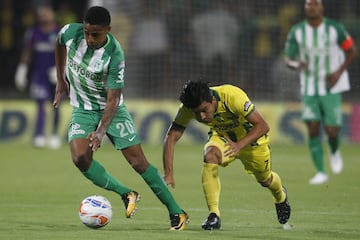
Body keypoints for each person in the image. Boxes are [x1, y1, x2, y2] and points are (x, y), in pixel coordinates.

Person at [52, 6, 188, 230]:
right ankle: (126, 193)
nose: (89, 38)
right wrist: (60, 79)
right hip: (83, 109)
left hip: (112, 112)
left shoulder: (115, 54)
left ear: (108, 29)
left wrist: (101, 131)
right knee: (80, 158)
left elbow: (113, 99)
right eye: (87, 32)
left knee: (138, 162)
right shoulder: (70, 32)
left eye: (95, 34)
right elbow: (58, 43)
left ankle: (177, 212)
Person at [163, 80, 291, 230]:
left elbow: (263, 125)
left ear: (212, 100)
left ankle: (280, 196)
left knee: (265, 180)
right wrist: (169, 173)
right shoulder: (188, 108)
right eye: (196, 113)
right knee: (210, 155)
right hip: (224, 138)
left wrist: (239, 145)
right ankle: (214, 215)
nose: (202, 117)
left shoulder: (232, 96)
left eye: (204, 110)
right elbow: (171, 137)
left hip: (252, 142)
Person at [283, 0, 356, 184]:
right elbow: (288, 59)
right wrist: (297, 64)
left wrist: (339, 73)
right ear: (305, 8)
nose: (311, 7)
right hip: (309, 87)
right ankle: (321, 171)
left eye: (315, 4)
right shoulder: (297, 31)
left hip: (331, 87)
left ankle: (334, 150)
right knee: (313, 128)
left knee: (332, 130)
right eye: (308, 4)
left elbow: (351, 50)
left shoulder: (335, 28)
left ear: (322, 7)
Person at [15, 5, 61, 149]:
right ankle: (39, 135)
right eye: (41, 15)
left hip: (56, 75)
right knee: (40, 105)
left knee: (56, 105)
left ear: (52, 15)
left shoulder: (60, 32)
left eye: (47, 14)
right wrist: (21, 69)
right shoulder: (33, 33)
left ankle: (54, 135)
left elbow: (69, 53)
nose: (44, 17)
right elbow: (27, 52)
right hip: (39, 75)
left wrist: (61, 70)